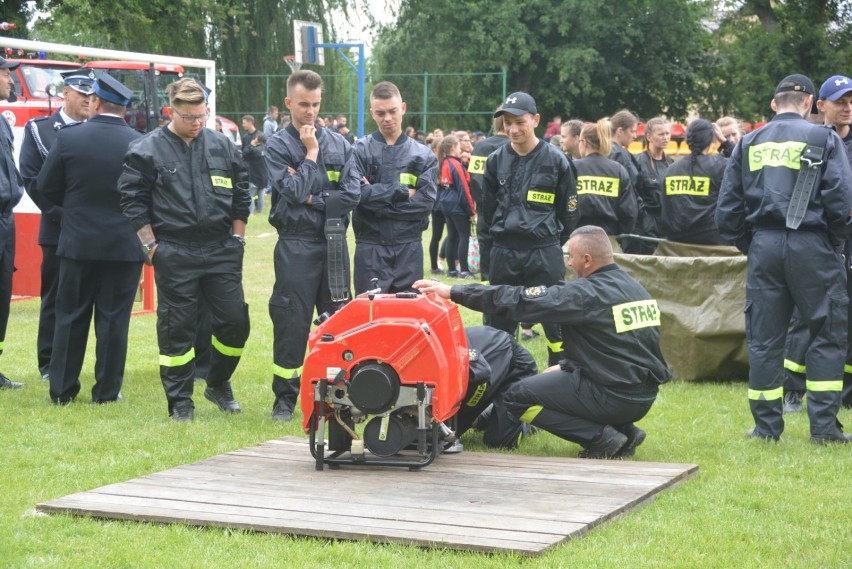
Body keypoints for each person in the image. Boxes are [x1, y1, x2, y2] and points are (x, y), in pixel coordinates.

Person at [413, 225, 670, 459]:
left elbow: (520, 299)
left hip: (612, 396)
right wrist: (569, 366)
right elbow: (618, 347)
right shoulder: (636, 290)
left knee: (516, 397)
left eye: (571, 256)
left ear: (588, 260)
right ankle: (626, 430)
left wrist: (454, 291)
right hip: (642, 396)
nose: (569, 262)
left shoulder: (585, 293)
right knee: (552, 382)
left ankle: (601, 438)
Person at [716, 74, 852, 444]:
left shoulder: (748, 141)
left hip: (764, 246)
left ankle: (765, 428)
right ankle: (824, 427)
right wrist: (833, 245)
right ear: (810, 103)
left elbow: (726, 214)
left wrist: (756, 243)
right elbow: (841, 203)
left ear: (774, 104)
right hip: (814, 245)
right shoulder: (824, 138)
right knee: (826, 333)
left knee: (764, 339)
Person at [119, 77, 251, 422]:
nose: (196, 124)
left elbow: (241, 195)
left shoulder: (223, 146)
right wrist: (153, 247)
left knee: (235, 322)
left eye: (201, 117)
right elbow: (132, 202)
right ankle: (180, 401)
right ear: (171, 112)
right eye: (188, 117)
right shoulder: (146, 150)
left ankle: (218, 382)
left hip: (221, 248)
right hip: (175, 251)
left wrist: (238, 240)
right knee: (177, 327)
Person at [36, 75, 144, 404]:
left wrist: (69, 214)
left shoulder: (69, 139)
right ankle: (107, 392)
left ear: (95, 102)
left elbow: (45, 187)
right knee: (114, 320)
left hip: (78, 243)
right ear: (123, 109)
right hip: (124, 246)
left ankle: (62, 390)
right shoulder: (139, 142)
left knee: (70, 315)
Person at [264, 70, 360, 422]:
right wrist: (311, 152)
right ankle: (284, 400)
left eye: (316, 105)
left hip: (335, 241)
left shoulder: (342, 144)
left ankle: (340, 395)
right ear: (289, 102)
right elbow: (291, 193)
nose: (311, 112)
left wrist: (314, 199)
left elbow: (352, 195)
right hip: (296, 244)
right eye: (303, 104)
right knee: (291, 319)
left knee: (339, 321)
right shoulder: (277, 145)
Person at [479, 92, 579, 367]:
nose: (513, 129)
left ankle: (559, 370)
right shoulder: (495, 161)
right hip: (503, 252)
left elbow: (569, 212)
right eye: (507, 122)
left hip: (543, 250)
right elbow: (486, 215)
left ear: (535, 120)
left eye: (520, 122)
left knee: (554, 317)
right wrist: (487, 258)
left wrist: (549, 242)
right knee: (499, 318)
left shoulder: (557, 161)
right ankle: (504, 372)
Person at [19, 67, 94, 383]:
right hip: (58, 227)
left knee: (89, 298)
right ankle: (49, 361)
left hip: (95, 231)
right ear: (65, 94)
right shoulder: (42, 130)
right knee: (55, 297)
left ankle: (79, 362)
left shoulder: (99, 130)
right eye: (81, 95)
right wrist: (64, 216)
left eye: (92, 95)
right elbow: (32, 180)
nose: (88, 101)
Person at [783, 74, 852, 414]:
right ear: (821, 105)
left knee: (846, 316)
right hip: (821, 241)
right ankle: (792, 389)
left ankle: (845, 392)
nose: (848, 108)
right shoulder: (812, 141)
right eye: (841, 102)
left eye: (851, 102)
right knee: (805, 316)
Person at [351, 81, 437, 294]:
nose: (387, 118)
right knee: (369, 317)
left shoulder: (423, 156)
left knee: (407, 318)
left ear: (403, 108)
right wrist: (400, 193)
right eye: (380, 113)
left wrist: (376, 201)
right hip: (369, 249)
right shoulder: (359, 151)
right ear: (372, 113)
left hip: (408, 250)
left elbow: (424, 204)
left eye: (392, 111)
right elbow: (356, 195)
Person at [454, 325, 538, 449]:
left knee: (499, 442)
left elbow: (479, 382)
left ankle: (530, 422)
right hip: (488, 365)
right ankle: (488, 414)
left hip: (515, 367)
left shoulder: (472, 368)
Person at [660, 119, 731, 245]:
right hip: (712, 243)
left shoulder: (671, 170)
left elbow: (666, 209)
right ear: (711, 140)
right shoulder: (720, 165)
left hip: (677, 243)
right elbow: (743, 165)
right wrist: (725, 143)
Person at [0, 56, 24, 390]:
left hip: (5, 218)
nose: (9, 79)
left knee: (2, 294)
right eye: (5, 72)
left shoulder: (3, 123)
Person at [573, 119, 638, 237]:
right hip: (608, 239)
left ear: (585, 142)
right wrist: (619, 235)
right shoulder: (618, 170)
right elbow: (629, 213)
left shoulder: (572, 168)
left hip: (576, 238)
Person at [468, 108, 509, 281]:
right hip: (512, 215)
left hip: (485, 214)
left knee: (489, 268)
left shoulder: (481, 147)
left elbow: (475, 181)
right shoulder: (515, 147)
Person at [625, 117, 673, 254]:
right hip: (645, 226)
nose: (665, 137)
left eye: (667, 133)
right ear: (649, 136)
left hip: (667, 225)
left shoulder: (672, 164)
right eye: (661, 134)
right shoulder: (638, 162)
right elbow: (632, 196)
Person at [435, 135, 476, 278]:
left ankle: (451, 270)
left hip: (445, 204)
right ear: (453, 148)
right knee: (464, 236)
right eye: (459, 147)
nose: (461, 149)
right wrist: (471, 210)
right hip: (456, 205)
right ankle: (464, 271)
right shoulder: (454, 164)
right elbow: (463, 188)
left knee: (452, 235)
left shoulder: (443, 162)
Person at [240, 115, 267, 214]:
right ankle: (259, 212)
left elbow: (247, 152)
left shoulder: (260, 136)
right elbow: (244, 153)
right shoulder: (245, 137)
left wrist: (252, 145)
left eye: (244, 122)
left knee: (254, 193)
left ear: (250, 122)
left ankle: (253, 213)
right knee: (259, 192)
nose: (243, 125)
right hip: (251, 168)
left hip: (258, 170)